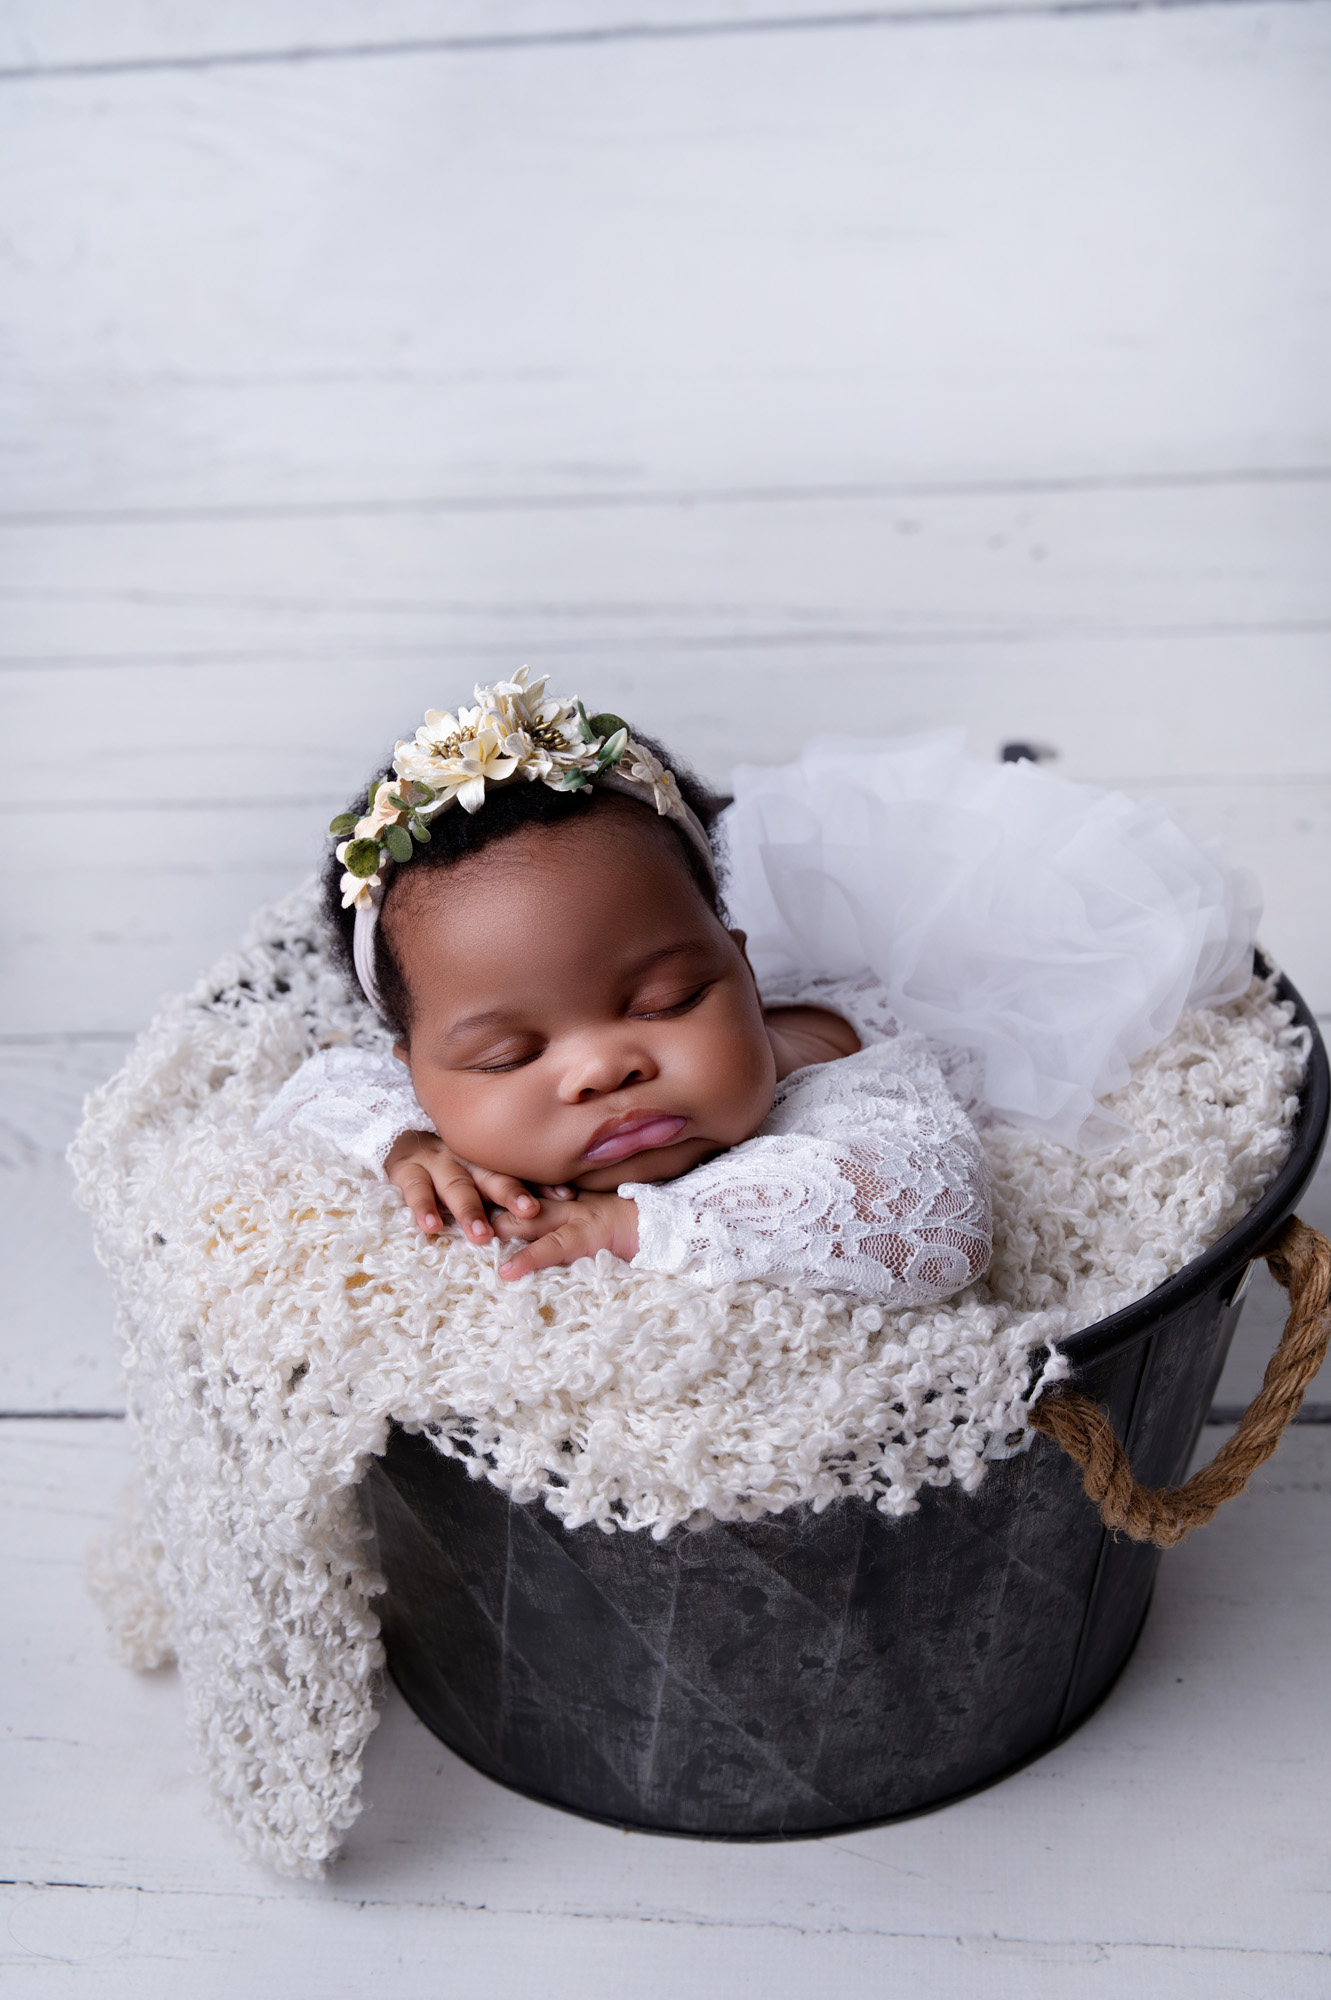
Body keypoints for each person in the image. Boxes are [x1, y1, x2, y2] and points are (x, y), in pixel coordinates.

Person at [259, 669, 996, 1303]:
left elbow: (937, 1228)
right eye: (506, 1056)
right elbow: (316, 1088)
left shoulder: (835, 1090)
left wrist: (633, 1225)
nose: (604, 1069)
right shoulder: (421, 1102)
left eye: (666, 1002)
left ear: (742, 970)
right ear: (416, 1073)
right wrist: (408, 1142)